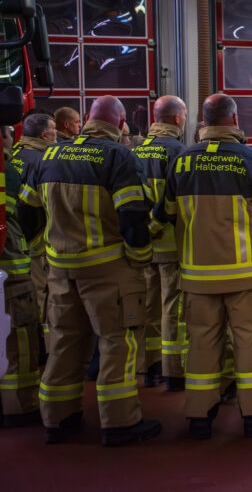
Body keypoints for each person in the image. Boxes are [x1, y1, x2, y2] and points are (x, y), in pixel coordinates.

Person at [20, 96, 160, 446]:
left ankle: (57, 419)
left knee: (65, 341)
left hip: (60, 270)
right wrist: (140, 256)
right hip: (107, 269)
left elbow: (27, 209)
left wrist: (42, 247)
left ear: (86, 119)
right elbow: (132, 213)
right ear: (121, 123)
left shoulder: (49, 155)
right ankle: (120, 422)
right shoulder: (118, 156)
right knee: (117, 342)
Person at [157, 93, 252, 439]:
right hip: (244, 273)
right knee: (250, 340)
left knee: (201, 342)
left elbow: (166, 213)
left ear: (202, 120)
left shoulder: (182, 161)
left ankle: (199, 415)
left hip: (197, 275)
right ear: (235, 119)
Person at [131, 96, 188, 391]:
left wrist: (143, 232)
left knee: (147, 305)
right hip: (170, 246)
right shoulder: (179, 152)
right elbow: (177, 202)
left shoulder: (134, 151)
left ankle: (148, 367)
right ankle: (174, 371)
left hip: (141, 246)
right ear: (177, 119)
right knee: (172, 308)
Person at [0, 143, 40, 426]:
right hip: (10, 270)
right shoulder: (9, 171)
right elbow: (25, 213)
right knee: (19, 338)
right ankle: (20, 407)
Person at [10, 113, 56, 334]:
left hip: (14, 238)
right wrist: (36, 239)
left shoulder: (15, 154)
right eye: (54, 130)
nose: (57, 134)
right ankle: (41, 343)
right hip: (34, 243)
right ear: (44, 135)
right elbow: (29, 205)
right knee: (40, 292)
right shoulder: (42, 160)